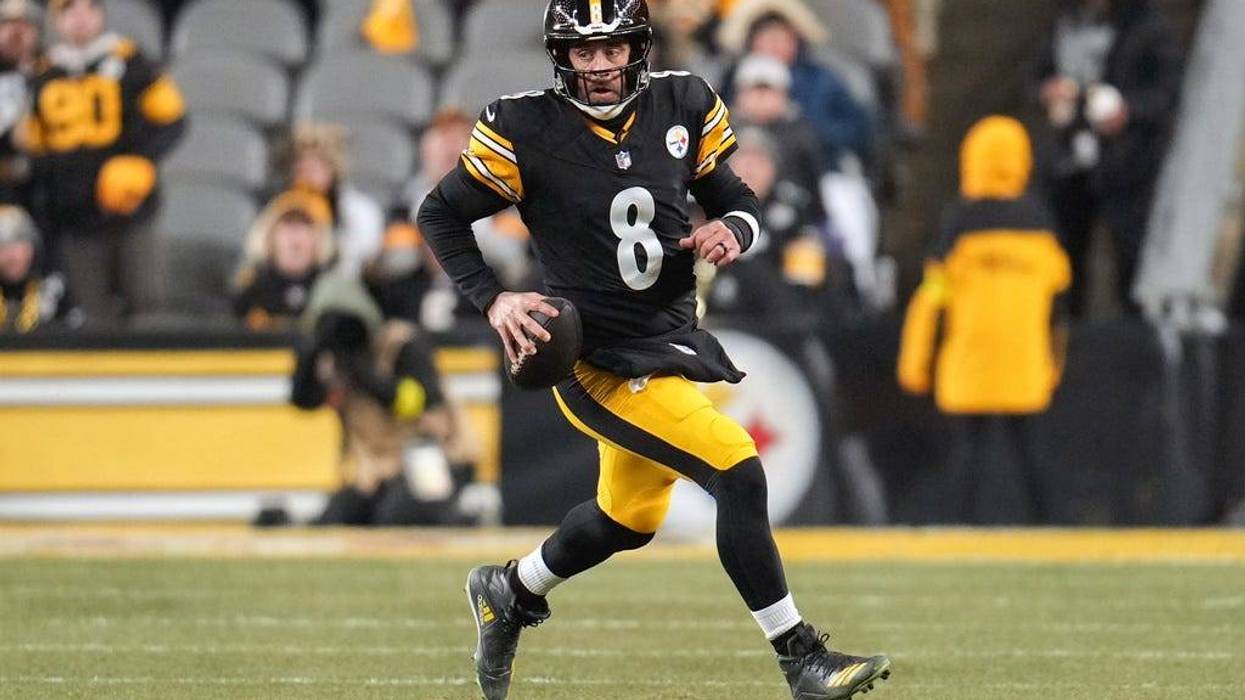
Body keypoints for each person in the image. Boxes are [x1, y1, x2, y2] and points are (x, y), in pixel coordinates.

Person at [416, 2, 891, 699]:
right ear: (561, 57)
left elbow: (734, 196)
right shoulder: (525, 126)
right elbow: (440, 213)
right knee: (736, 468)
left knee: (627, 519)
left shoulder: (683, 102)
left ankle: (509, 588)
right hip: (597, 360)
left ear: (637, 46)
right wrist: (494, 298)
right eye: (584, 52)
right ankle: (801, 659)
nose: (601, 64)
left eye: (613, 47)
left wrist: (733, 227)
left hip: (667, 338)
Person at [897, 116, 1071, 524]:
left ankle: (960, 527)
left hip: (969, 357)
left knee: (966, 455)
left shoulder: (959, 221)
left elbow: (933, 297)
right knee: (1032, 452)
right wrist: (1055, 362)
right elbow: (1059, 299)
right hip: (1025, 359)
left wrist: (917, 363)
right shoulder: (1040, 220)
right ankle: (1051, 528)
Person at [19, 0, 185, 323]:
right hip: (73, 214)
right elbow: (34, 147)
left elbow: (173, 120)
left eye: (88, 8)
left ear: (101, 14)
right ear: (58, 20)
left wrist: (139, 160)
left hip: (129, 208)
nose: (80, 18)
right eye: (70, 10)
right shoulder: (43, 74)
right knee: (90, 312)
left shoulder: (131, 61)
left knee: (146, 302)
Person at [290, 272, 480, 526]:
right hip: (377, 471)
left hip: (432, 461)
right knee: (337, 517)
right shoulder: (334, 361)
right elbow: (304, 400)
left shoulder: (402, 343)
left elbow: (416, 404)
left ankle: (460, 520)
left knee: (395, 516)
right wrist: (313, 352)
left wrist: (360, 370)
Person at [1031, 0, 1181, 316]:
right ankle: (1067, 339)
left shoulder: (1147, 25)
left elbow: (1166, 93)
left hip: (1126, 165)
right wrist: (1049, 92)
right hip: (1068, 162)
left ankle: (1135, 341)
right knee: (1065, 261)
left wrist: (1128, 111)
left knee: (1130, 259)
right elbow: (1036, 75)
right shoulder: (1063, 21)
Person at [717, 0, 874, 168]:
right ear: (751, 41)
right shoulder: (731, 81)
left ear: (797, 41)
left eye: (783, 37)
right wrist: (742, 116)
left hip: (817, 171)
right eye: (768, 38)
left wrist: (802, 123)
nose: (775, 45)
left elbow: (859, 131)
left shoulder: (820, 80)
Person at [281, 123, 384, 279]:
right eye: (301, 170)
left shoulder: (360, 211)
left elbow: (365, 260)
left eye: (314, 169)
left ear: (334, 170)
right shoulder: (284, 207)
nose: (307, 178)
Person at [233, 191, 335, 331]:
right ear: (270, 236)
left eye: (304, 227)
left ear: (319, 239)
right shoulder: (250, 287)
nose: (295, 237)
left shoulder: (333, 289)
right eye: (288, 225)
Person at [0, 204, 70, 332]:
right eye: (3, 247)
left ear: (33, 247)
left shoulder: (53, 285)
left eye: (18, 245)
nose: (11, 256)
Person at [0, 0, 41, 206]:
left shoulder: (54, 73)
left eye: (25, 24)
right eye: (7, 24)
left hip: (43, 187)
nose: (16, 32)